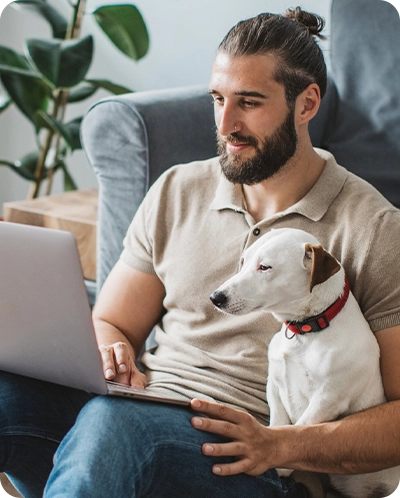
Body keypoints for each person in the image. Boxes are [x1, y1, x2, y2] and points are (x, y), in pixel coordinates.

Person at [1, 7, 400, 498]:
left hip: (252, 458)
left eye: (249, 103)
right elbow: (114, 323)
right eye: (218, 99)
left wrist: (280, 446)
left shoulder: (375, 228)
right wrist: (114, 351)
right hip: (141, 411)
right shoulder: (177, 189)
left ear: (307, 103)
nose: (226, 123)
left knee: (114, 426)